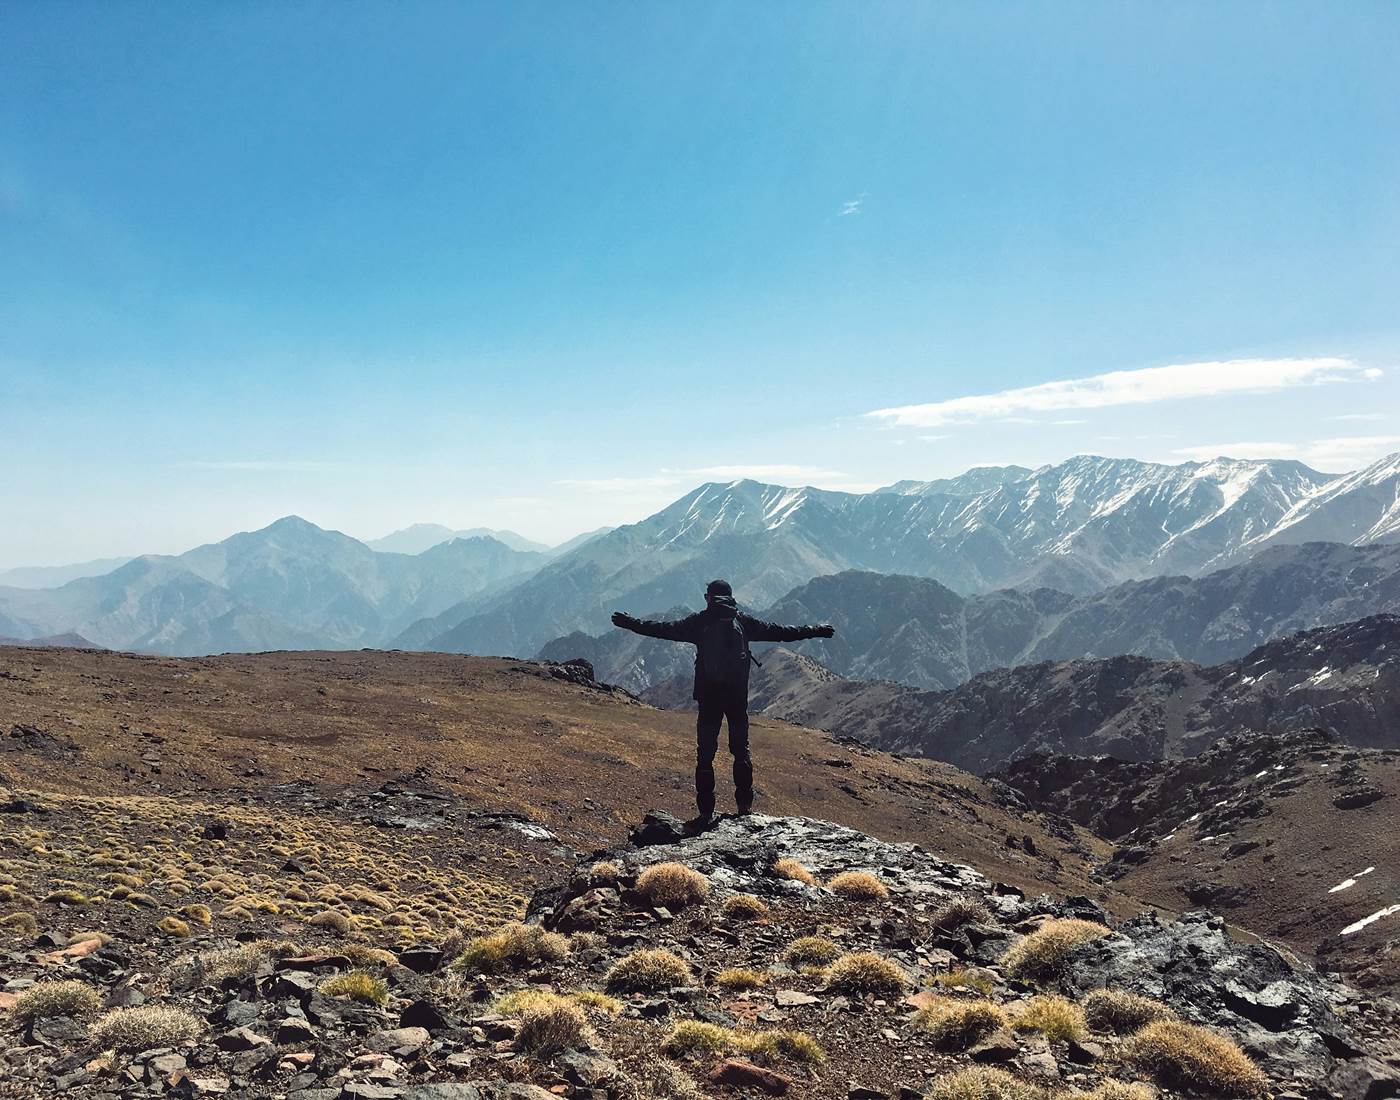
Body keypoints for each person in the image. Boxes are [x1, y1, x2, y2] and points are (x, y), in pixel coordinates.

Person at [611, 579, 835, 826]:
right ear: (730, 597)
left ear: (709, 597)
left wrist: (631, 624)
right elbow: (783, 632)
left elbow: (662, 628)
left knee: (705, 755)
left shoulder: (699, 622)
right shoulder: (743, 621)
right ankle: (744, 808)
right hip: (737, 698)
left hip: (709, 699)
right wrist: (815, 630)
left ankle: (706, 813)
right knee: (741, 750)